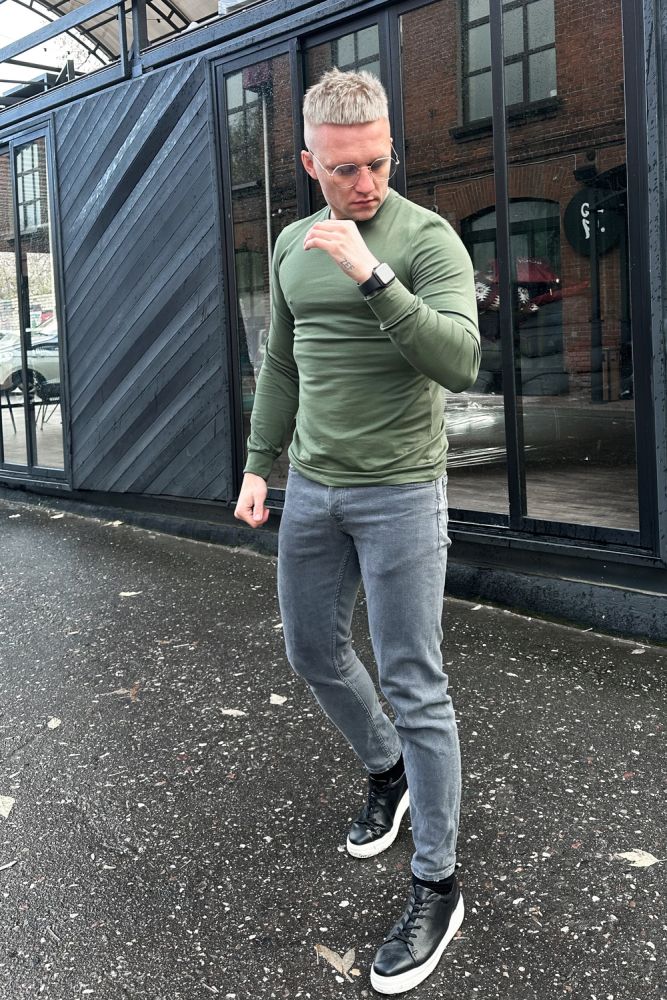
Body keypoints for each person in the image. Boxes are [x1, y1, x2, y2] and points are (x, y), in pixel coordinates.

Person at [234, 67, 480, 995]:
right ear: (310, 164)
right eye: (344, 169)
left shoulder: (426, 239)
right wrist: (260, 464)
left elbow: (458, 360)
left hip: (401, 492)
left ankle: (437, 886)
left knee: (415, 681)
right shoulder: (290, 243)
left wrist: (373, 275)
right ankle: (387, 770)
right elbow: (282, 364)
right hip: (313, 488)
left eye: (378, 163)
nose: (365, 183)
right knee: (311, 650)